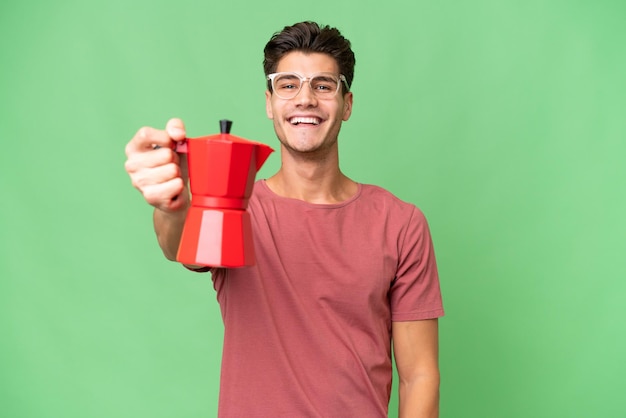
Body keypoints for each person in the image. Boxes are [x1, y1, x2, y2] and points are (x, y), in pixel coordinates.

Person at [125, 21, 444, 418]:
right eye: (288, 84)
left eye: (323, 85)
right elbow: (179, 244)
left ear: (346, 104)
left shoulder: (400, 223)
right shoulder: (234, 207)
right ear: (270, 102)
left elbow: (419, 375)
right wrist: (170, 202)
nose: (305, 98)